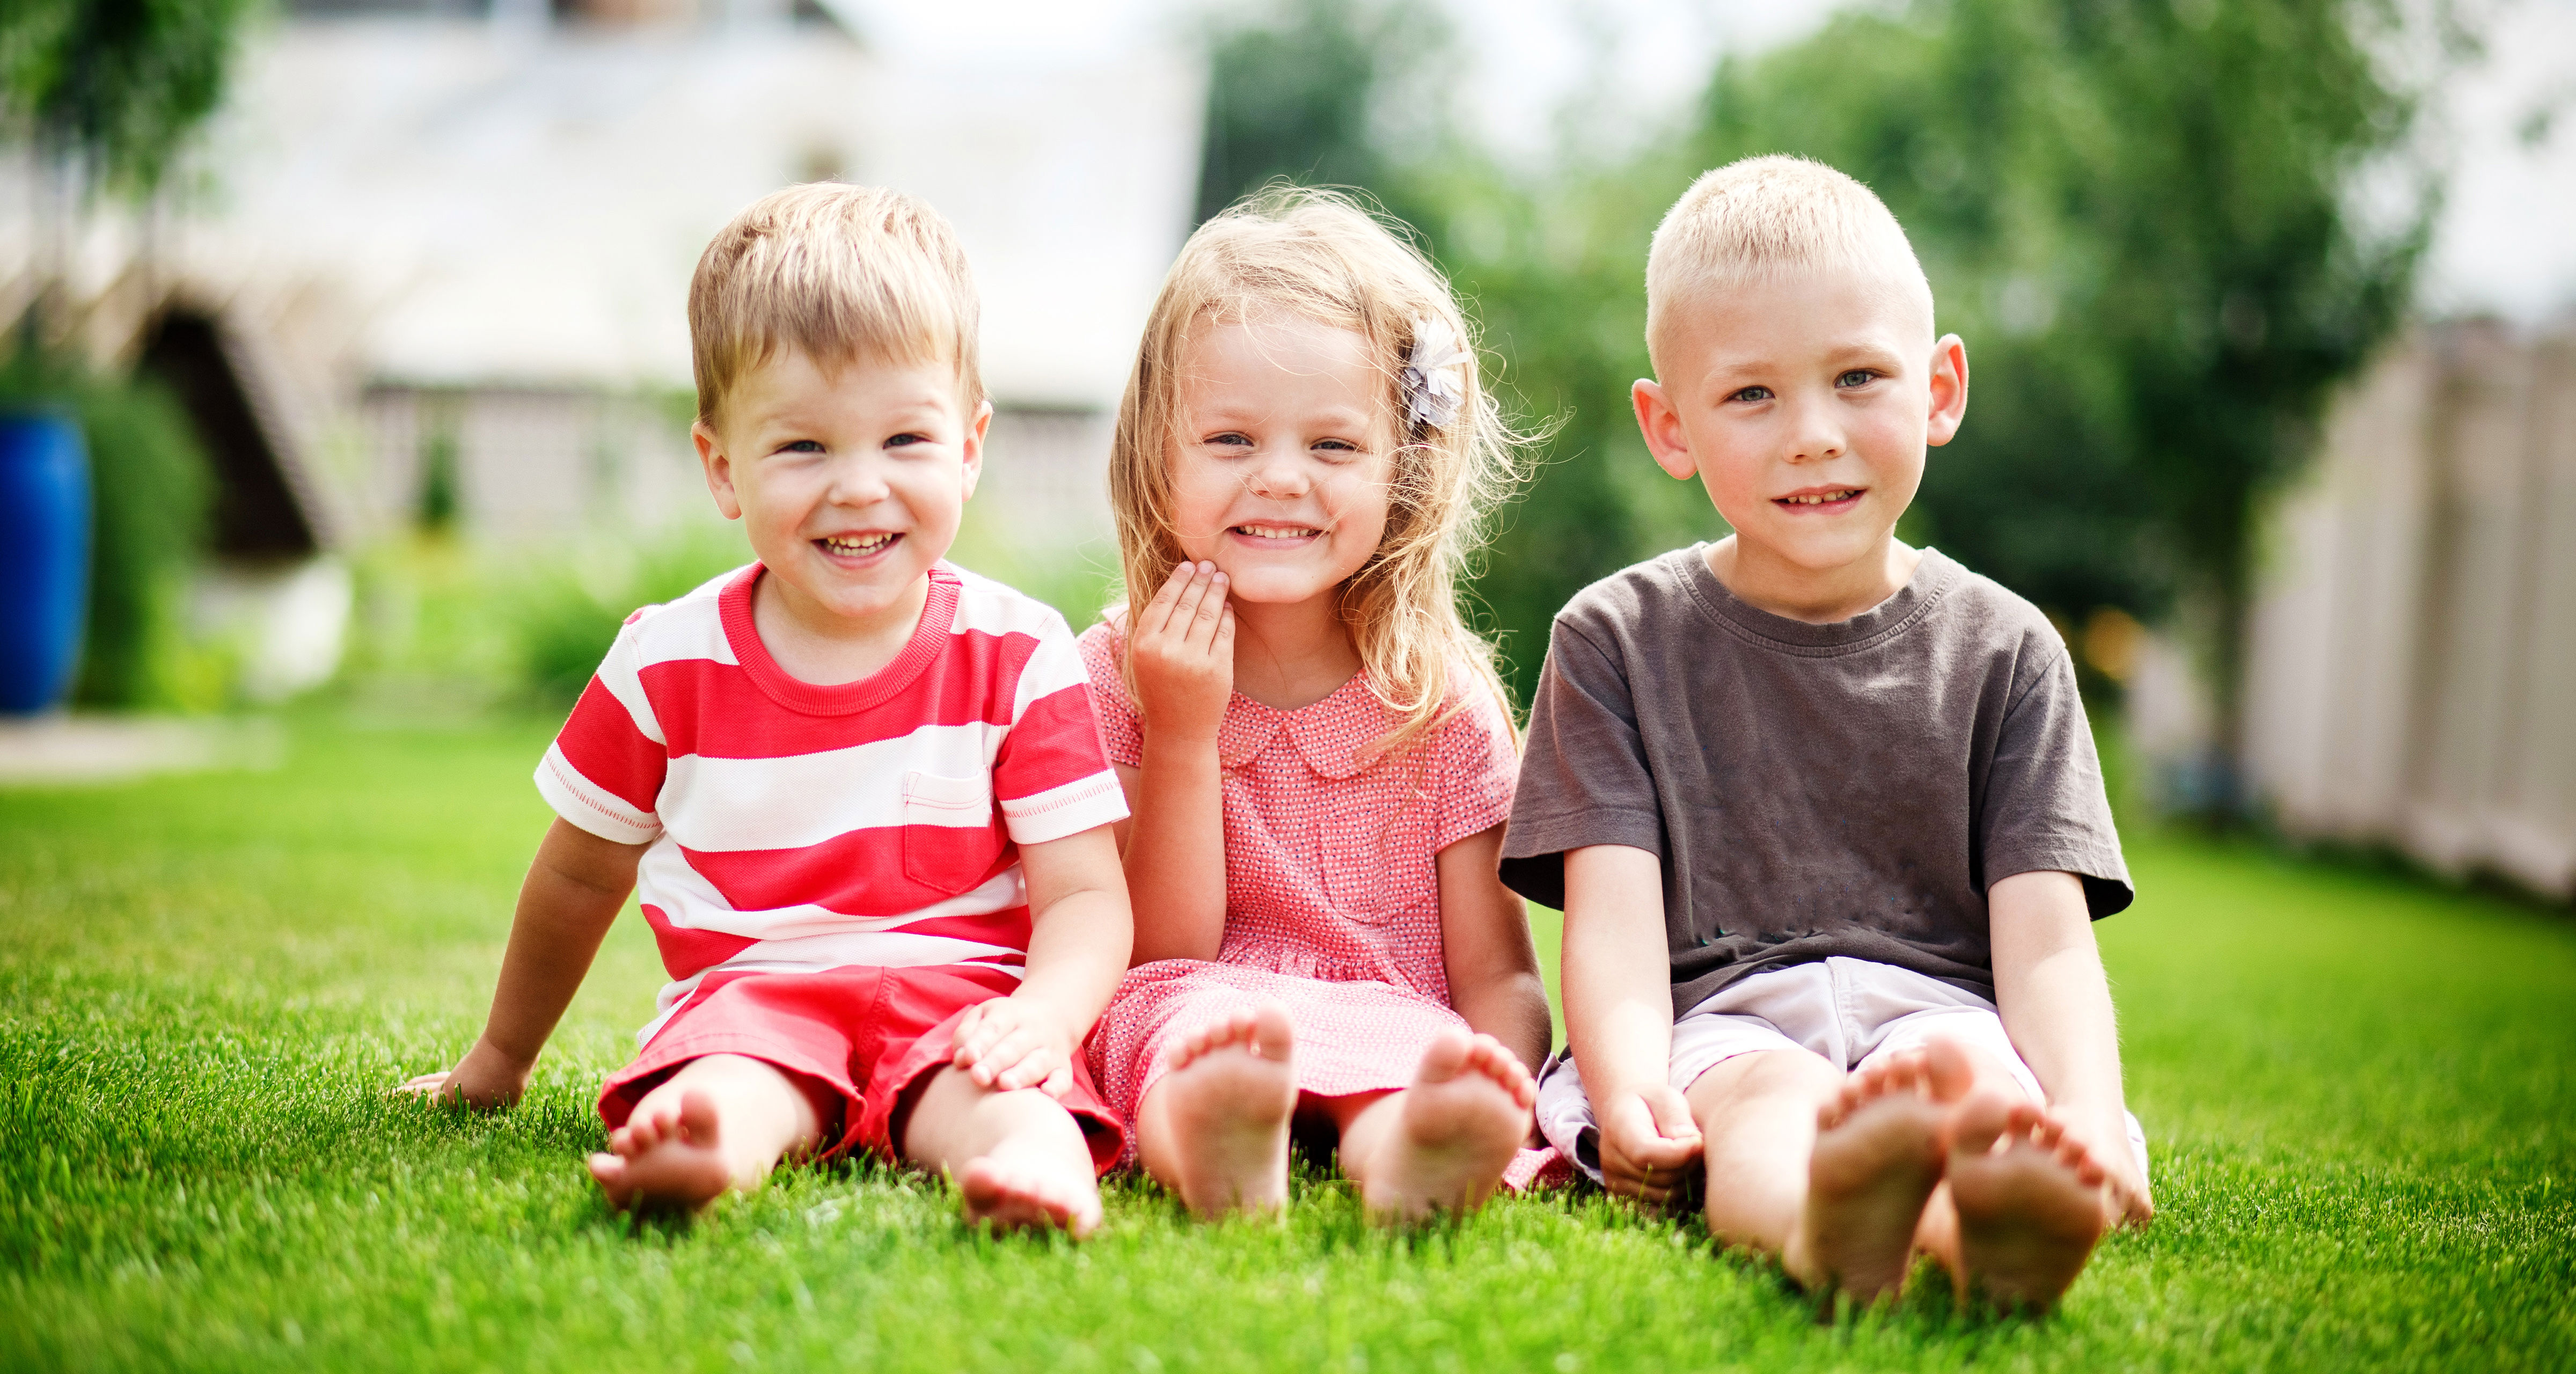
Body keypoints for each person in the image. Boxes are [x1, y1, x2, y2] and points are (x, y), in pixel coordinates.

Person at [398, 184, 1134, 1236]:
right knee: (733, 1073)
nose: (858, 487)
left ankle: (1034, 1171)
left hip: (964, 1005)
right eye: (803, 448)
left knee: (1007, 1102)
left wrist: (1043, 1016)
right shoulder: (667, 664)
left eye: (904, 440)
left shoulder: (1019, 652)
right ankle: (708, 1142)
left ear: (969, 446)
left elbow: (1085, 895)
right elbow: (577, 870)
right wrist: (498, 1059)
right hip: (756, 1001)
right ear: (722, 466)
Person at [1501, 155, 2154, 1310]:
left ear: (1941, 387)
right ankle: (1824, 1225)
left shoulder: (2008, 649)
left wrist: (2091, 1109)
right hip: (1727, 1022)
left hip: (1942, 1012)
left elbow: (2047, 944)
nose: (1813, 434)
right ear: (1670, 424)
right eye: (1751, 395)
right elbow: (1610, 923)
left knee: (1964, 1090)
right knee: (1764, 1111)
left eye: (1859, 377)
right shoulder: (1613, 639)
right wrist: (1632, 1082)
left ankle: (1984, 1228)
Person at [1078, 189, 1550, 1222]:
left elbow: (1497, 976)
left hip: (1392, 1015)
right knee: (1167, 1031)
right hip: (1198, 1001)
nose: (1281, 480)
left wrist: (1495, 1090)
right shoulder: (1116, 673)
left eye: (1333, 447)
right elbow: (1162, 952)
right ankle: (1217, 1146)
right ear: (1157, 455)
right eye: (1231, 440)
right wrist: (1184, 729)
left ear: (1403, 471)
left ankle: (1413, 1162)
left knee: (1416, 1055)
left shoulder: (1437, 700)